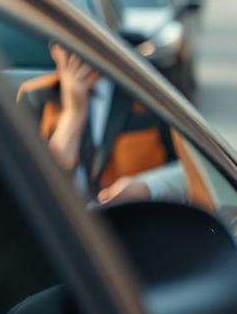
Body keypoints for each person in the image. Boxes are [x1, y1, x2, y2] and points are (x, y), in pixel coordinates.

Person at [17, 44, 177, 203]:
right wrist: (74, 114)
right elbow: (32, 182)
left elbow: (188, 168)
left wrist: (147, 186)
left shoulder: (147, 96)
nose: (83, 56)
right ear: (56, 52)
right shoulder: (35, 97)